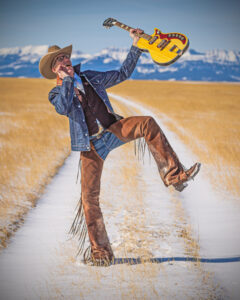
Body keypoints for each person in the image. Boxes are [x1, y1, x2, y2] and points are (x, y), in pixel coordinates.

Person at [39, 28, 200, 265]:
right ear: (54, 70)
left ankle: (176, 177)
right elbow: (63, 107)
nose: (64, 61)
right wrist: (68, 80)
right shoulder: (56, 92)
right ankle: (101, 254)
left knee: (147, 123)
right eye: (58, 61)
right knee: (89, 198)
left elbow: (123, 73)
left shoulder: (91, 77)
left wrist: (136, 45)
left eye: (64, 57)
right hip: (91, 146)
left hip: (112, 131)